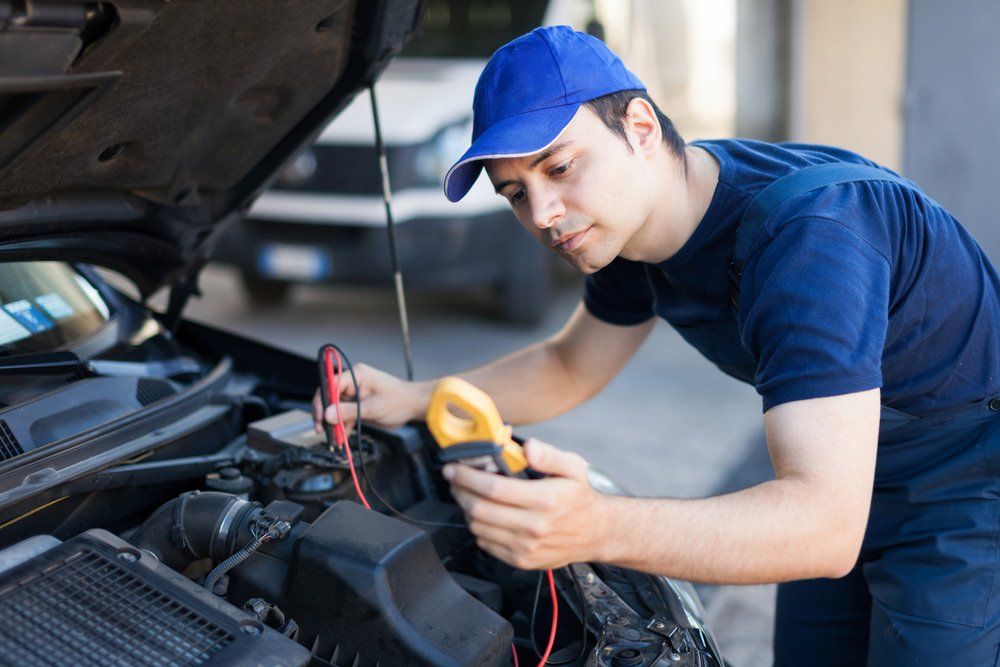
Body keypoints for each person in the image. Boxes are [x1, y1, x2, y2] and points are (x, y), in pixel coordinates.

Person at [312, 26, 1000, 664]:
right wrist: (411, 398)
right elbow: (567, 363)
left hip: (963, 483)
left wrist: (598, 526)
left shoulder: (810, 239)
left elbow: (822, 526)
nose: (543, 215)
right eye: (517, 193)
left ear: (640, 127)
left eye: (559, 167)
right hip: (838, 460)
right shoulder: (635, 228)